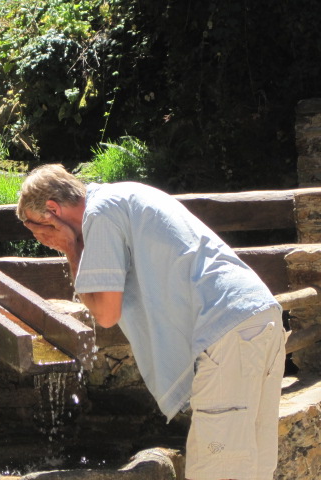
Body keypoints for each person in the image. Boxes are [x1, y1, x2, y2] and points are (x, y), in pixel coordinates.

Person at [16, 164, 287, 480]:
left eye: (38, 229)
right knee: (253, 470)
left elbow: (105, 313)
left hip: (226, 329)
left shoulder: (100, 214)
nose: (42, 239)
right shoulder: (125, 195)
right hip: (259, 317)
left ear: (52, 210)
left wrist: (71, 248)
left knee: (217, 469)